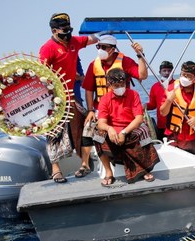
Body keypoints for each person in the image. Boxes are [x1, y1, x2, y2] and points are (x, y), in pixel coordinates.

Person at [39, 12, 98, 183]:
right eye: (63, 31)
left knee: (83, 126)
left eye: (69, 30)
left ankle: (85, 164)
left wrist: (108, 31)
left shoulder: (74, 42)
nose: (67, 34)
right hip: (54, 98)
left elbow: (91, 39)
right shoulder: (47, 48)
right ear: (54, 31)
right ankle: (56, 169)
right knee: (54, 133)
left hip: (73, 95)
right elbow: (41, 75)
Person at [80, 34, 148, 177]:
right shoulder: (94, 64)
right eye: (98, 47)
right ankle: (85, 164)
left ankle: (144, 164)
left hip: (123, 106)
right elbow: (89, 89)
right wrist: (90, 110)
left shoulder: (125, 61)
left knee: (143, 129)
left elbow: (142, 75)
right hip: (102, 108)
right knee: (88, 129)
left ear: (112, 49)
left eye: (104, 47)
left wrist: (140, 55)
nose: (100, 50)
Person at [95, 68, 159, 187]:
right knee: (97, 136)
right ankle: (109, 172)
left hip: (131, 127)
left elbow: (139, 119)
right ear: (109, 85)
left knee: (143, 130)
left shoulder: (133, 94)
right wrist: (109, 129)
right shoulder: (104, 99)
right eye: (116, 85)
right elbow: (101, 123)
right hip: (114, 130)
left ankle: (145, 168)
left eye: (122, 84)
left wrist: (124, 132)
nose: (120, 87)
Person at [160, 61, 195, 155]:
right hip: (173, 135)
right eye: (182, 74)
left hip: (190, 137)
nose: (184, 78)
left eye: (188, 76)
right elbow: (163, 112)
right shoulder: (171, 88)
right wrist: (169, 100)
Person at [147, 60, 175, 140]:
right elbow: (152, 105)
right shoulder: (155, 87)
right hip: (161, 125)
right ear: (160, 72)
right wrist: (144, 106)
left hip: (175, 125)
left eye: (169, 70)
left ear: (172, 72)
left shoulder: (178, 84)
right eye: (164, 71)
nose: (167, 73)